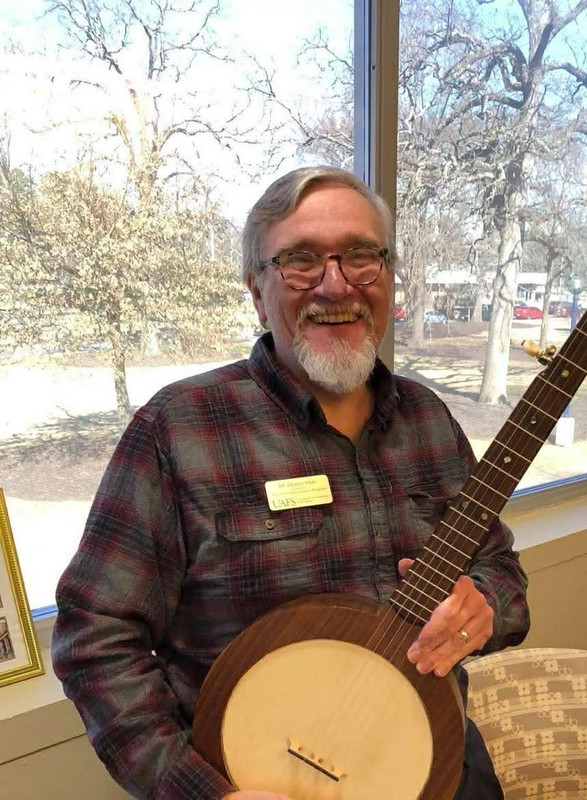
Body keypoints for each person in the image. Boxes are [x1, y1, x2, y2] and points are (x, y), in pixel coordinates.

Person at [52, 166, 530, 800]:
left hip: (435, 767)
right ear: (257, 289)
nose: (337, 285)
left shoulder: (429, 422)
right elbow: (95, 638)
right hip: (260, 782)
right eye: (301, 262)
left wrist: (485, 607)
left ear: (386, 277)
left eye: (362, 257)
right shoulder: (179, 429)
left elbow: (502, 572)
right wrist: (197, 791)